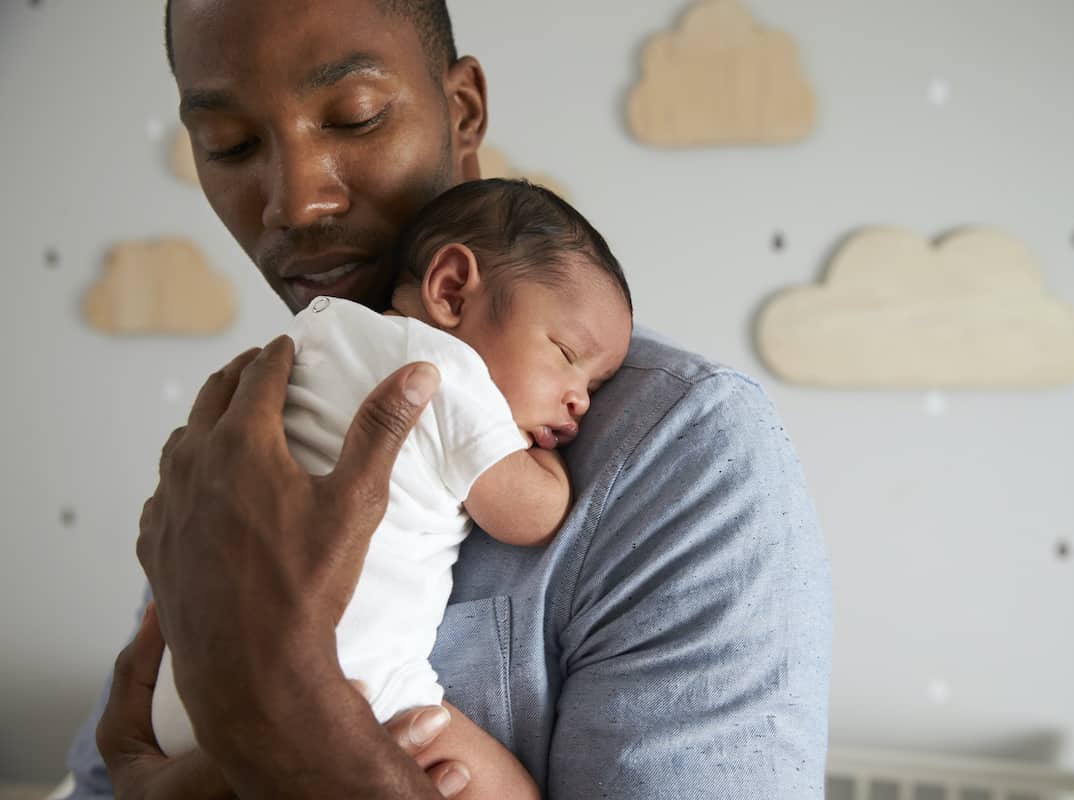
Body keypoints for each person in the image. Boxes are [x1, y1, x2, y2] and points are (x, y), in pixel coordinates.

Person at [65, 1, 833, 797]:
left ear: (461, 110)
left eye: (355, 118)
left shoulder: (685, 454)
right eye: (230, 144)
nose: (294, 204)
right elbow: (111, 768)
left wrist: (299, 720)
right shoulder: (245, 430)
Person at [149, 178, 633, 800]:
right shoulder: (449, 374)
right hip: (354, 691)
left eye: (595, 383)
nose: (580, 400)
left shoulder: (316, 333)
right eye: (567, 353)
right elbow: (531, 515)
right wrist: (549, 463)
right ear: (452, 288)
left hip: (184, 700)